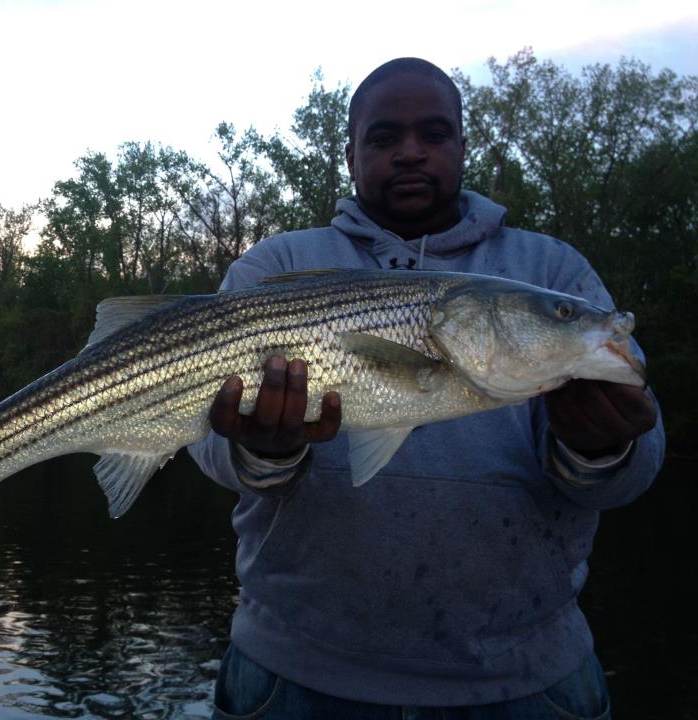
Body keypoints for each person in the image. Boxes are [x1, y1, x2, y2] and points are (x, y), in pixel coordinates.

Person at [188, 58, 664, 719]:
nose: (410, 152)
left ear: (462, 148)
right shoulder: (276, 268)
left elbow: (638, 462)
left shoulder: (552, 270)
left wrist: (601, 450)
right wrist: (263, 454)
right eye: (384, 138)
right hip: (294, 674)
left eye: (434, 133)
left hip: (527, 679)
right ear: (351, 156)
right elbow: (206, 444)